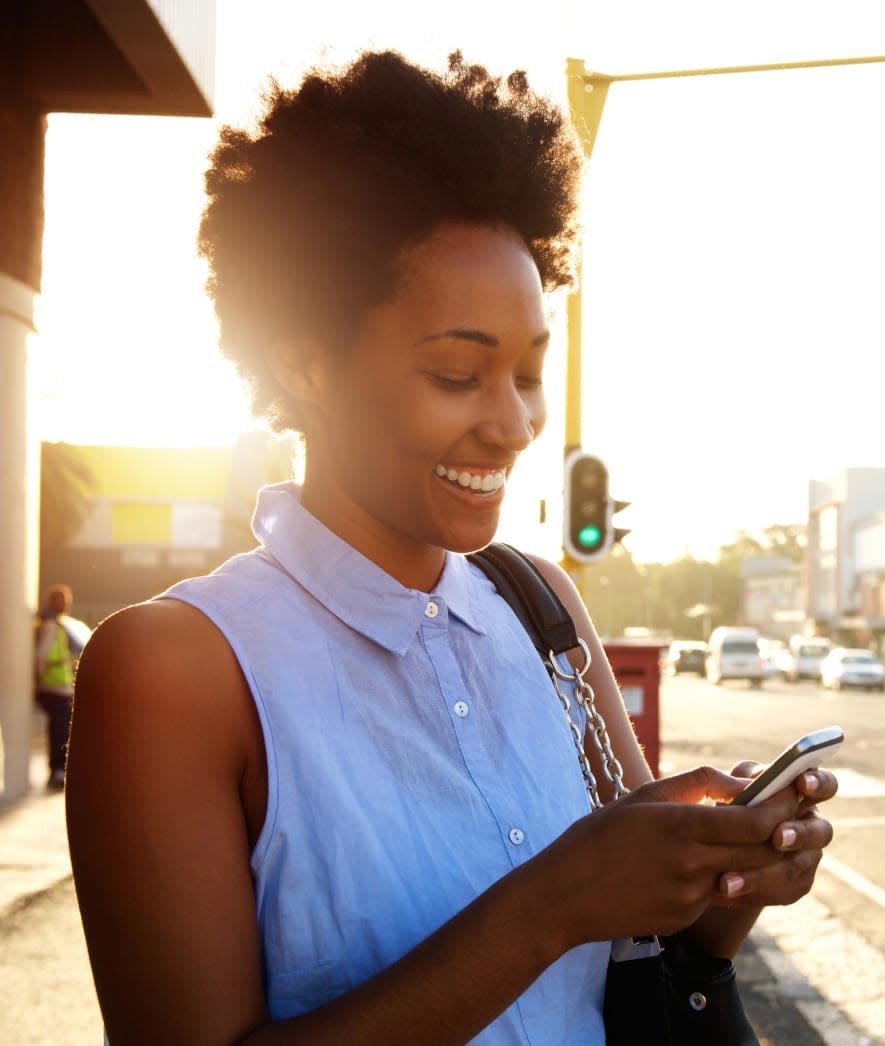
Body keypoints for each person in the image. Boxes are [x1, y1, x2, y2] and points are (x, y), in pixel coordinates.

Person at [66, 49, 838, 1045]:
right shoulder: (176, 670)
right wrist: (551, 900)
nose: (514, 424)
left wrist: (727, 873)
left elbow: (646, 945)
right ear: (305, 363)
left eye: (526, 372)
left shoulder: (541, 606)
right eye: (458, 373)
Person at [34, 583, 91, 790]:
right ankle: (58, 771)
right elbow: (41, 657)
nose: (65, 605)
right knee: (60, 730)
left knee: (59, 729)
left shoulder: (56, 625)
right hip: (54, 686)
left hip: (57, 685)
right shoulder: (51, 626)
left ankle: (58, 770)